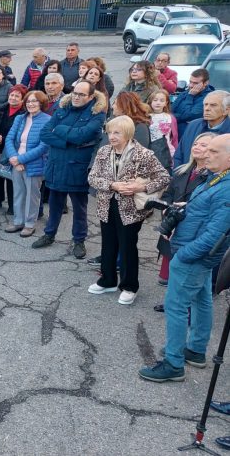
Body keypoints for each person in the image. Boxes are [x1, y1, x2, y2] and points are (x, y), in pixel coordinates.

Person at [139, 134, 230, 382]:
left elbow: (215, 235)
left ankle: (173, 363)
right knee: (202, 301)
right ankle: (195, 351)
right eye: (205, 149)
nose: (206, 154)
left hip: (192, 256)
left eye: (213, 152)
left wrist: (182, 257)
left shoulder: (226, 188)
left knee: (176, 307)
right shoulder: (215, 179)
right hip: (194, 255)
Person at [87, 116, 170, 305]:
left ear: (128, 133)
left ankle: (129, 286)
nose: (112, 136)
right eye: (109, 132)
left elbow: (164, 177)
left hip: (132, 208)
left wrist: (140, 188)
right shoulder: (103, 151)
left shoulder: (144, 154)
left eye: (117, 132)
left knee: (127, 247)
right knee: (108, 244)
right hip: (106, 204)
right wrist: (113, 185)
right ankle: (107, 280)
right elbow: (92, 178)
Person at [32, 81, 107, 258]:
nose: (76, 97)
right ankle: (49, 234)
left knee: (79, 208)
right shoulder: (62, 109)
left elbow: (82, 135)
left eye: (81, 94)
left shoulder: (97, 115)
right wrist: (67, 141)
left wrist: (59, 130)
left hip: (77, 169)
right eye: (75, 93)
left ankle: (79, 240)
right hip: (56, 165)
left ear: (90, 97)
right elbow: (44, 133)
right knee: (54, 204)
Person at [153, 132, 215, 307]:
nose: (197, 147)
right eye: (196, 143)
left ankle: (183, 307)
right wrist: (167, 207)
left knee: (188, 271)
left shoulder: (212, 177)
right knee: (174, 270)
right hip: (173, 225)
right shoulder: (181, 171)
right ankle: (173, 302)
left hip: (192, 229)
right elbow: (168, 195)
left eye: (204, 145)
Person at [4, 90, 50, 237]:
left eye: (34, 101)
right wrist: (14, 158)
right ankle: (18, 221)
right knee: (18, 193)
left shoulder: (47, 120)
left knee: (32, 196)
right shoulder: (20, 118)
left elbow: (44, 146)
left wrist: (21, 159)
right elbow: (9, 139)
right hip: (16, 162)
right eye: (28, 101)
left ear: (41, 103)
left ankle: (30, 224)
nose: (31, 104)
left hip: (34, 164)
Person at [0, 84, 28, 214]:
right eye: (11, 95)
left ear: (23, 99)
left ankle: (13, 206)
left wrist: (3, 137)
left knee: (12, 178)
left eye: (17, 96)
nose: (13, 98)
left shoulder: (24, 113)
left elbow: (21, 132)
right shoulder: (2, 108)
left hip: (13, 149)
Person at [174, 91, 230, 166]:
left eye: (213, 105)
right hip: (187, 175)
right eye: (205, 105)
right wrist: (179, 175)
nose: (207, 108)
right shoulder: (193, 125)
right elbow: (179, 155)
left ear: (226, 110)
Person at [173, 69, 215, 138]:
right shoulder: (185, 93)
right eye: (190, 82)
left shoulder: (209, 97)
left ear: (206, 83)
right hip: (175, 134)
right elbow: (170, 111)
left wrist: (190, 96)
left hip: (192, 135)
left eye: (195, 83)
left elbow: (190, 116)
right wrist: (180, 117)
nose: (191, 85)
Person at [148, 89, 179, 162]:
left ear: (166, 103)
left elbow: (174, 137)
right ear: (151, 102)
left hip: (166, 150)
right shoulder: (146, 117)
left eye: (162, 101)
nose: (158, 103)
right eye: (155, 100)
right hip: (150, 150)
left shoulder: (170, 117)